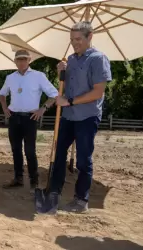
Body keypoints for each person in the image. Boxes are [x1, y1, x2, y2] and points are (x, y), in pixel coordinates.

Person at [43, 21, 112, 214]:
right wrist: (61, 73)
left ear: (90, 36)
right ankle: (54, 192)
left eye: (78, 39)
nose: (74, 43)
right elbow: (65, 89)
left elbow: (98, 92)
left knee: (83, 160)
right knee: (59, 155)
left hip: (87, 117)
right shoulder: (71, 59)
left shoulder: (99, 59)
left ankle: (81, 200)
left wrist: (70, 101)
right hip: (68, 116)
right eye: (72, 40)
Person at [0, 49, 58, 193]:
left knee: (30, 151)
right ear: (15, 61)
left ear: (29, 60)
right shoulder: (10, 77)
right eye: (19, 59)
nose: (21, 62)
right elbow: (2, 94)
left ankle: (34, 182)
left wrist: (43, 109)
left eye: (24, 59)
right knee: (16, 150)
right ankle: (18, 178)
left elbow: (54, 95)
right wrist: (5, 109)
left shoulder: (39, 76)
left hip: (30, 118)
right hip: (14, 117)